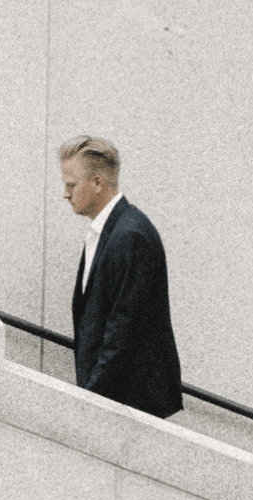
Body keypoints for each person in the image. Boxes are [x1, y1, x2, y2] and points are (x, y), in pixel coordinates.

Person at [59, 136, 183, 418]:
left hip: (130, 403)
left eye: (71, 184)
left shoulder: (130, 236)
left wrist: (91, 399)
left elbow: (122, 331)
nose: (65, 193)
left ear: (98, 182)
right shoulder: (109, 231)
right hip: (117, 398)